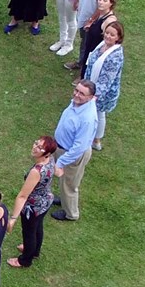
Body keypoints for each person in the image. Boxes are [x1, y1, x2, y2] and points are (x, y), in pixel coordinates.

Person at [7, 136, 58, 269]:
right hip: (46, 200)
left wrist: (13, 218)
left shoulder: (36, 172)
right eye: (36, 143)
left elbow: (23, 196)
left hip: (33, 207)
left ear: (46, 153)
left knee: (29, 232)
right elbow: (58, 172)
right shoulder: (50, 160)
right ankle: (35, 251)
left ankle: (25, 260)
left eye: (40, 147)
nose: (35, 147)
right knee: (37, 227)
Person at [51, 80, 98, 222]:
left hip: (72, 154)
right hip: (62, 148)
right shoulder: (78, 103)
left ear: (90, 98)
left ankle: (71, 214)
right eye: (76, 90)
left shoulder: (87, 119)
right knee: (65, 181)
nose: (77, 95)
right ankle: (64, 199)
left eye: (82, 94)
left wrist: (61, 162)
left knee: (70, 184)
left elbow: (79, 147)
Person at [86, 21, 125, 151]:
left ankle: (96, 140)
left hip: (103, 92)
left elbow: (106, 80)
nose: (108, 36)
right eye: (107, 33)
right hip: (91, 84)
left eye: (112, 35)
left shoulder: (115, 56)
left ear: (118, 38)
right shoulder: (102, 45)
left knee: (99, 114)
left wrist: (93, 96)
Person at [68, 0, 117, 78]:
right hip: (90, 47)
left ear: (111, 3)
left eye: (105, 0)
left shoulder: (109, 21)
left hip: (96, 51)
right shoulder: (101, 13)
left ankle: (83, 79)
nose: (101, 2)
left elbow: (110, 40)